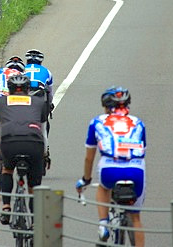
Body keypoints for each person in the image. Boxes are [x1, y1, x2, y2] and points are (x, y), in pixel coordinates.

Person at [76, 87, 146, 246]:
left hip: (109, 170)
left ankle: (103, 224)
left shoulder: (97, 122)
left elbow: (89, 158)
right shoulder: (138, 123)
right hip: (136, 170)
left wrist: (85, 180)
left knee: (103, 187)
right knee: (136, 218)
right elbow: (142, 152)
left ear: (106, 107)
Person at [0, 73, 49, 224]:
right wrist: (44, 154)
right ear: (27, 89)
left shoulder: (0, 102)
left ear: (9, 89)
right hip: (34, 143)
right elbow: (43, 132)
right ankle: (35, 218)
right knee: (33, 184)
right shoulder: (39, 102)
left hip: (10, 142)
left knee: (7, 170)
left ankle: (6, 207)